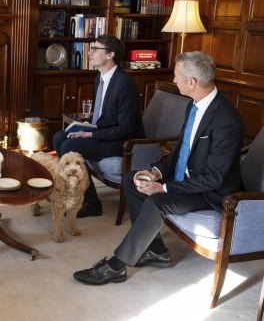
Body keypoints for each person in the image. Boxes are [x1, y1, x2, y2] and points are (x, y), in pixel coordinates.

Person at [73, 51, 245, 285]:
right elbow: (182, 150)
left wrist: (164, 189)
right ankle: (156, 251)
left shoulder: (226, 120)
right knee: (132, 180)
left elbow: (214, 178)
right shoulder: (194, 105)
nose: (174, 80)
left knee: (156, 201)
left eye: (176, 76)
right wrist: (157, 172)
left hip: (210, 193)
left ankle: (116, 266)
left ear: (192, 83)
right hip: (186, 178)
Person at [52, 34, 144, 217]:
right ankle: (83, 194)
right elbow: (103, 116)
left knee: (70, 145)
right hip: (105, 133)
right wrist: (84, 126)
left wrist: (91, 135)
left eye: (95, 49)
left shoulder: (124, 83)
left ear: (110, 55)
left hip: (123, 142)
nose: (90, 53)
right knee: (59, 137)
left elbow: (125, 128)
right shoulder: (99, 78)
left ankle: (91, 203)